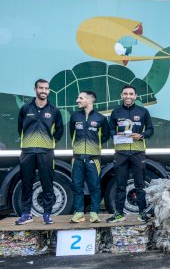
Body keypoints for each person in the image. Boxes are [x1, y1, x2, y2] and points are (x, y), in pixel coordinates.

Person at [14, 79, 64, 225]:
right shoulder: (25, 109)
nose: (43, 91)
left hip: (46, 152)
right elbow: (20, 128)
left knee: (47, 183)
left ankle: (47, 214)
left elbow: (59, 130)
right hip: (27, 151)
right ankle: (26, 214)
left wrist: (50, 141)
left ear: (49, 91)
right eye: (40, 88)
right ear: (35, 89)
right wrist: (29, 142)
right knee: (26, 183)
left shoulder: (54, 110)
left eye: (46, 88)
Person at [107, 84, 153, 222]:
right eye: (125, 94)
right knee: (120, 184)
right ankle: (119, 213)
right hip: (121, 152)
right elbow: (110, 130)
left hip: (138, 152)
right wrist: (116, 133)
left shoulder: (143, 111)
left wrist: (141, 135)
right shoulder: (116, 112)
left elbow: (150, 129)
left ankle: (142, 213)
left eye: (131, 94)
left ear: (135, 96)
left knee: (139, 184)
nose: (128, 96)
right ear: (121, 96)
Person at [69, 91, 110, 223]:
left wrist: (94, 145)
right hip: (77, 158)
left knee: (95, 187)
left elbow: (105, 135)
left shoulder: (100, 118)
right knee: (77, 186)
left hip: (94, 158)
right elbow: (72, 133)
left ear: (90, 100)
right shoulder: (75, 116)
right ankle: (79, 213)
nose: (77, 100)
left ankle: (94, 213)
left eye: (80, 98)